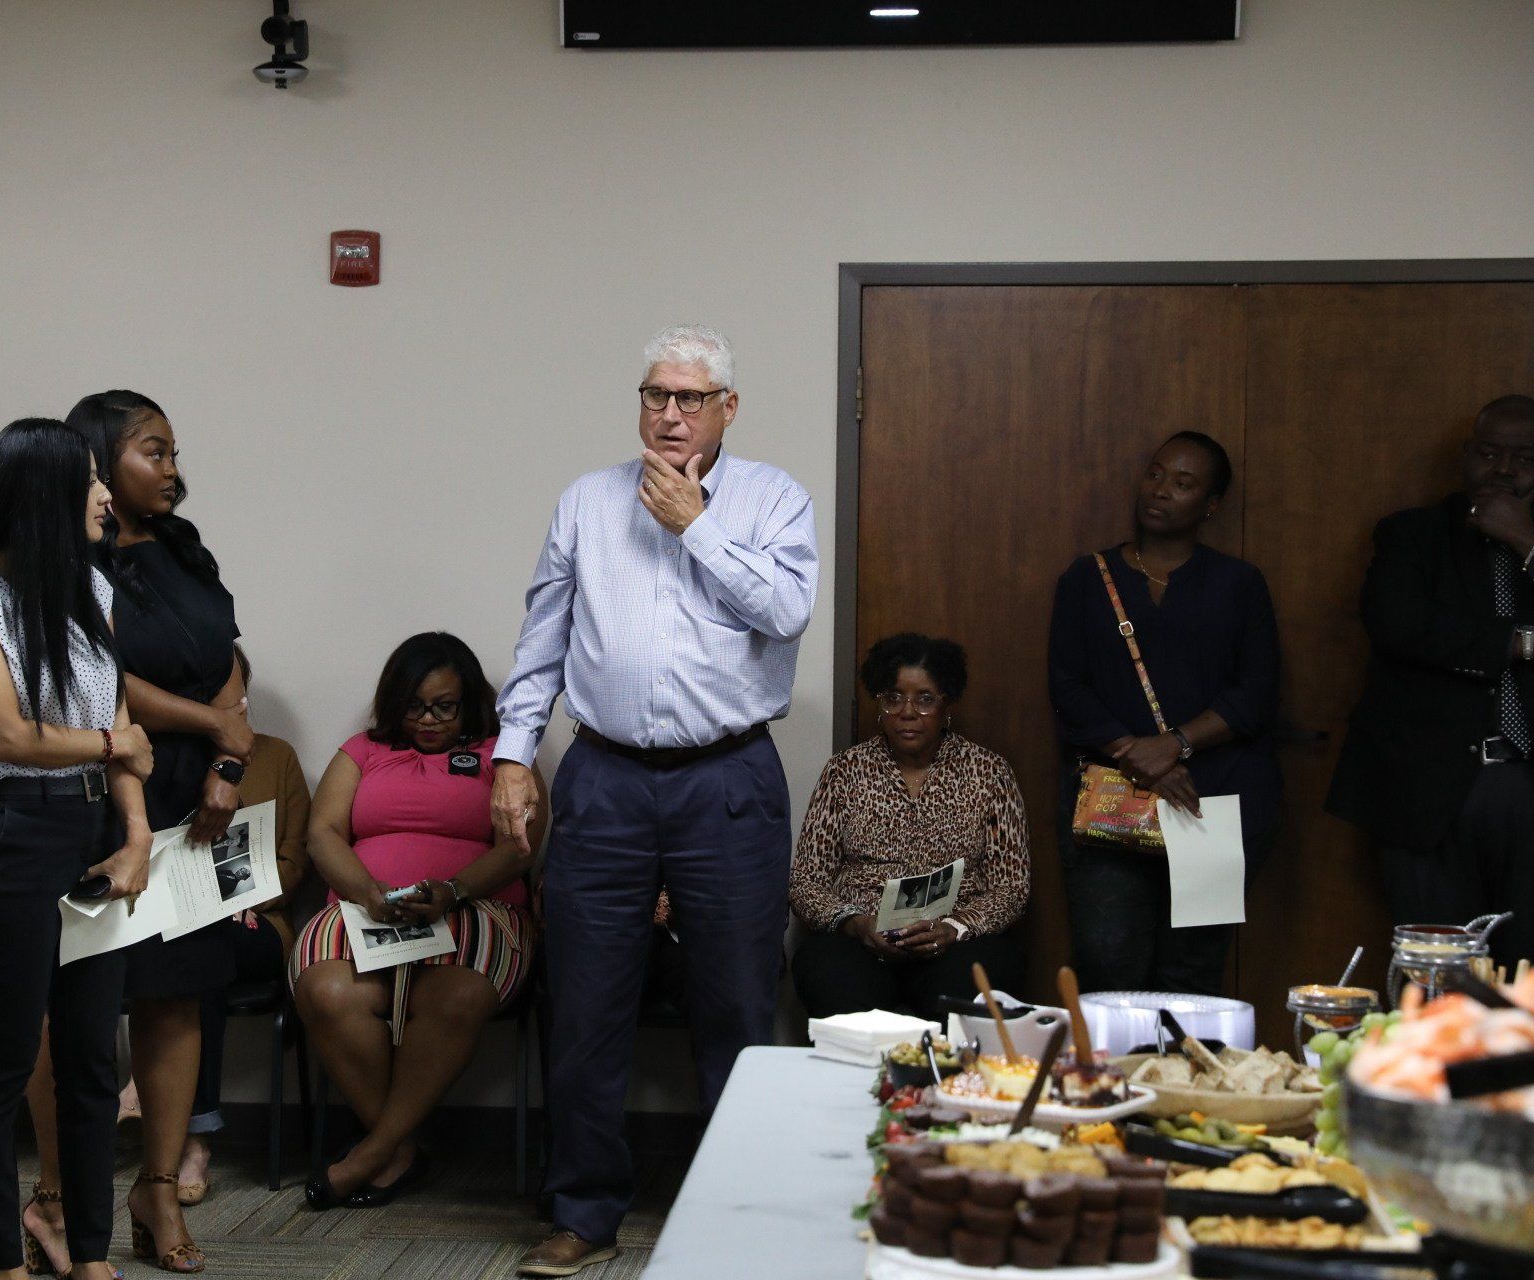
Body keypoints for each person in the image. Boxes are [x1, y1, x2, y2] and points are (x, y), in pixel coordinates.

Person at [491, 325, 819, 1278]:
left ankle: (741, 1213)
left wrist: (696, 525)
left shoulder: (773, 499)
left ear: (728, 408)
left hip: (728, 778)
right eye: (655, 395)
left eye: (689, 397)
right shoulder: (587, 503)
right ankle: (584, 1212)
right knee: (586, 1002)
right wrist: (515, 757)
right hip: (605, 777)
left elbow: (787, 612)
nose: (669, 414)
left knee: (737, 1004)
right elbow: (541, 640)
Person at [0, 417, 151, 1280]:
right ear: (44, 495)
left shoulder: (92, 591)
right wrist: (109, 749)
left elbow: (121, 723)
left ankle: (87, 1253)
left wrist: (134, 836)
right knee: (4, 1063)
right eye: (88, 480)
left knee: (93, 1058)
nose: (103, 494)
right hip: (12, 833)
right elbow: (10, 737)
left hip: (93, 828)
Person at [19, 390, 248, 1277]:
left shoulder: (186, 549)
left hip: (196, 794)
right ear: (100, 462)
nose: (172, 471)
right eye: (154, 452)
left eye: (174, 452)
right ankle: (55, 1194)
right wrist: (211, 724)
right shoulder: (69, 559)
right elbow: (102, 677)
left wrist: (229, 762)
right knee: (72, 1004)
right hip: (106, 787)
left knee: (176, 993)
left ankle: (156, 1186)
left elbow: (230, 653)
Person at [293, 632, 543, 1210]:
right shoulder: (363, 752)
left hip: (477, 906)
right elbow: (322, 833)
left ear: (469, 702)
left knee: (454, 996)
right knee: (325, 989)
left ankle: (371, 1153)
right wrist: (369, 893)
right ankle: (396, 1151)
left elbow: (521, 844)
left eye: (444, 706)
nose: (428, 719)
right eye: (414, 706)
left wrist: (454, 891)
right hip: (365, 906)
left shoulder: (504, 756)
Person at [1048, 431, 1281, 997]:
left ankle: (1182, 1081)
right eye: (1155, 474)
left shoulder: (1239, 584)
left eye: (1183, 483)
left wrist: (1174, 744)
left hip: (1212, 800)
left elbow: (1256, 695)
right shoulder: (1087, 577)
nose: (1160, 491)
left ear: (1211, 504)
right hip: (1112, 796)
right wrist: (1137, 753)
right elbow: (1068, 686)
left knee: (1193, 971)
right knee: (1107, 962)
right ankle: (1111, 1086)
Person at [1329, 395, 1534, 967]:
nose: (1503, 469)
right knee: (1440, 972)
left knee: (1528, 977)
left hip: (1526, 784)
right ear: (1465, 455)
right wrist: (1520, 643)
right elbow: (1401, 624)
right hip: (1431, 789)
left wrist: (1527, 544)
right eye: (1489, 453)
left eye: (1523, 458)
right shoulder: (1413, 534)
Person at [789, 634, 1029, 1018]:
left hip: (954, 945)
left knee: (987, 972)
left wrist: (953, 927)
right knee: (823, 969)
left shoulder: (989, 772)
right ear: (880, 705)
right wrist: (855, 923)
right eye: (893, 697)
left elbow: (1012, 887)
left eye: (925, 698)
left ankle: (945, 1077)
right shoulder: (845, 771)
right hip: (863, 943)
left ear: (946, 703)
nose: (907, 711)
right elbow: (805, 882)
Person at [182, 648, 309, 1205]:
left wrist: (245, 898)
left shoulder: (277, 758)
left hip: (262, 928)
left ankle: (184, 1130)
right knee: (198, 956)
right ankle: (195, 1135)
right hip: (187, 927)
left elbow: (296, 858)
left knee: (201, 948)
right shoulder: (168, 759)